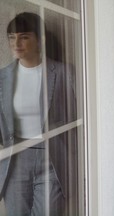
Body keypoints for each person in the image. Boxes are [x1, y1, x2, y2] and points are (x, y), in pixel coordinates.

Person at [0, 12, 76, 216]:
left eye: (24, 36)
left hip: (52, 157)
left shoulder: (63, 73)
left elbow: (77, 121)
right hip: (15, 158)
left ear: (39, 39)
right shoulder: (2, 78)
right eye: (11, 37)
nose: (16, 43)